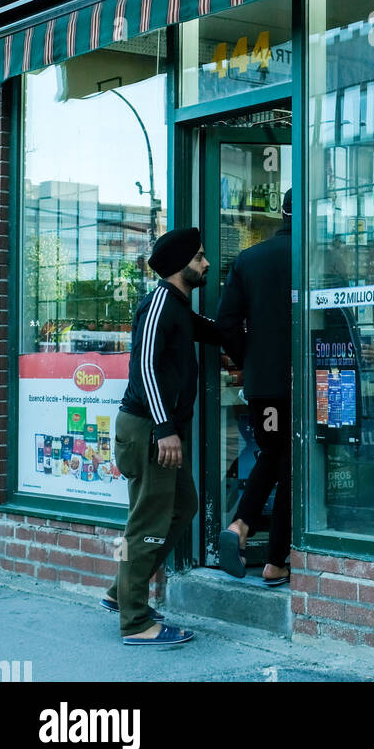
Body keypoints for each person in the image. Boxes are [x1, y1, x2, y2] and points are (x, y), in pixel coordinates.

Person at [105, 227, 222, 646]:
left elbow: (209, 329)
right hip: (149, 429)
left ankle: (122, 593)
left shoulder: (176, 305)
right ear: (179, 265)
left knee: (183, 507)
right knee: (146, 521)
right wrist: (165, 428)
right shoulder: (158, 303)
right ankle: (135, 621)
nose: (206, 264)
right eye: (200, 257)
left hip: (158, 430)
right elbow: (144, 370)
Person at [215, 187, 293, 586]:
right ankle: (275, 560)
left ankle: (241, 526)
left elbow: (225, 323)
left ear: (281, 213)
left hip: (265, 387)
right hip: (308, 385)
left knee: (273, 455)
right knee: (292, 467)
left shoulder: (248, 259)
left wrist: (252, 360)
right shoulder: (318, 257)